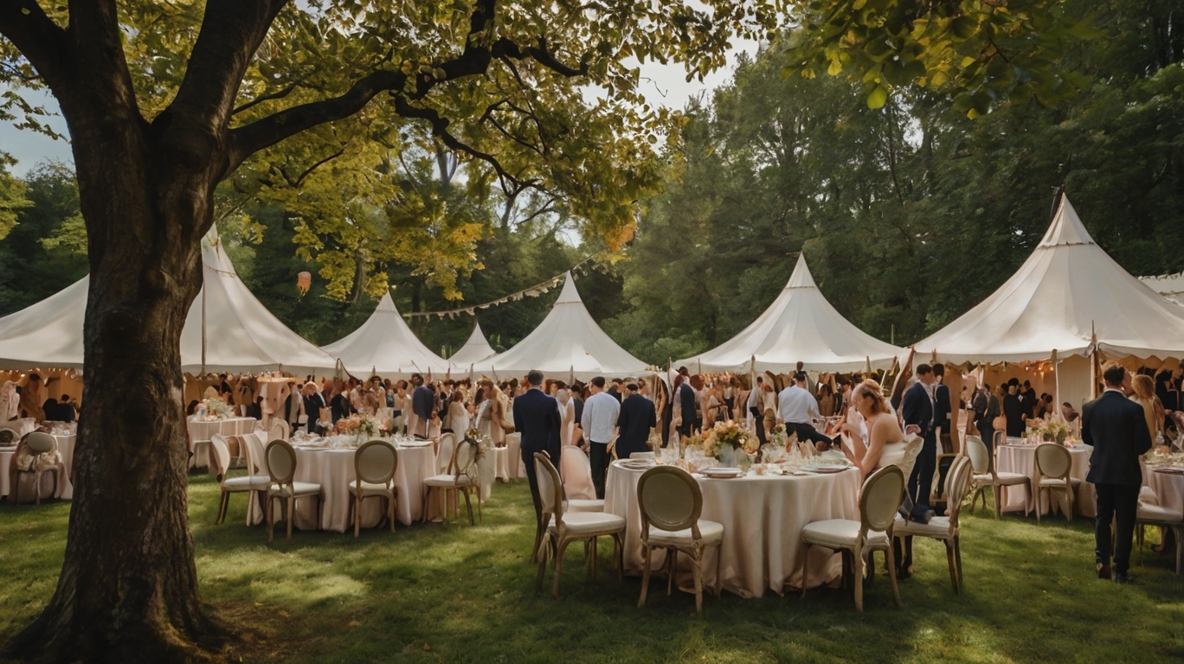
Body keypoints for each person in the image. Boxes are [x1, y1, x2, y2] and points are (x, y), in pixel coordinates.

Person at [1084, 362, 1153, 583]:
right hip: (1126, 470)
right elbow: (1144, 444)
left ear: (1105, 381)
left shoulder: (1091, 407)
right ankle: (1120, 570)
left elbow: (1087, 438)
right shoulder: (1133, 409)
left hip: (1102, 469)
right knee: (1124, 520)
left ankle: (1102, 560)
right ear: (1123, 381)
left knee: (1103, 516)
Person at [513, 370, 563, 529]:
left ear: (528, 381)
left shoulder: (519, 401)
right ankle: (551, 513)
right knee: (549, 481)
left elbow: (519, 426)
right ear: (542, 382)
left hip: (529, 444)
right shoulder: (550, 401)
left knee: (534, 483)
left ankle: (539, 513)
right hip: (547, 446)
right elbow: (556, 425)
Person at [840, 379, 907, 479]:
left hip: (885, 480)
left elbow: (867, 464)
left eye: (858, 400)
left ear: (870, 401)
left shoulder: (881, 422)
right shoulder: (870, 422)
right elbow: (862, 457)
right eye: (854, 402)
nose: (856, 406)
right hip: (882, 476)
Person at [900, 364, 938, 518]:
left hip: (929, 435)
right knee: (915, 470)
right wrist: (915, 429)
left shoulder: (931, 390)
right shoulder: (914, 391)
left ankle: (923, 504)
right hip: (918, 436)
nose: (932, 376)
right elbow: (907, 415)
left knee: (928, 469)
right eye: (930, 373)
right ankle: (912, 506)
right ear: (922, 374)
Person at [581, 376, 620, 499]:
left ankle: (597, 494)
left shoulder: (591, 400)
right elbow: (617, 418)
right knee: (606, 468)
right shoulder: (614, 401)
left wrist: (587, 437)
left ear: (593, 385)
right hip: (609, 438)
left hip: (596, 438)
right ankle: (605, 493)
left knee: (596, 469)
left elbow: (585, 420)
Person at [777, 371, 832, 450]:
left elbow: (779, 415)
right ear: (804, 382)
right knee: (828, 440)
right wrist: (820, 417)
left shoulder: (782, 394)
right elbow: (814, 410)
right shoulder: (806, 394)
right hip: (803, 429)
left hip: (788, 428)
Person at [617, 382, 657, 460]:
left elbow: (621, 423)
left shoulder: (625, 403)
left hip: (627, 442)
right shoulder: (649, 404)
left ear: (629, 391)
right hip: (642, 441)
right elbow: (653, 423)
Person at [1130, 374, 1165, 448]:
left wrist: (1153, 440)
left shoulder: (1143, 401)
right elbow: (1161, 417)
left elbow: (1151, 422)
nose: (1131, 386)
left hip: (1149, 438)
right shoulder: (1154, 398)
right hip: (1156, 436)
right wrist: (1162, 431)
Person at [973, 383, 1001, 452]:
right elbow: (997, 412)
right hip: (991, 425)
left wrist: (973, 419)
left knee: (984, 446)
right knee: (990, 445)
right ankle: (990, 458)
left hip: (983, 424)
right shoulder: (994, 398)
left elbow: (977, 410)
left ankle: (986, 458)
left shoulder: (981, 397)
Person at [932, 364, 952, 453]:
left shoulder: (936, 388)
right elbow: (947, 406)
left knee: (943, 441)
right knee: (944, 441)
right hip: (941, 420)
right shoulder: (942, 388)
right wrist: (948, 419)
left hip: (938, 419)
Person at [410, 373, 433, 439]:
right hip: (426, 417)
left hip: (418, 418)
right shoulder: (429, 391)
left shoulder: (418, 391)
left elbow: (417, 406)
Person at [747, 375, 766, 445]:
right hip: (755, 409)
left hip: (757, 410)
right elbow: (754, 403)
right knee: (759, 424)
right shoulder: (756, 390)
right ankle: (760, 440)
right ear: (760, 383)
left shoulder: (757, 389)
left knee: (760, 424)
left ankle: (762, 439)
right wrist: (757, 413)